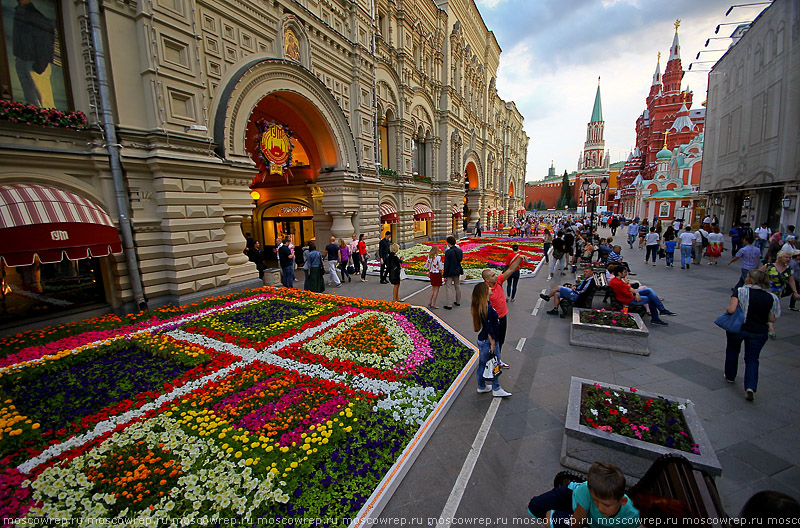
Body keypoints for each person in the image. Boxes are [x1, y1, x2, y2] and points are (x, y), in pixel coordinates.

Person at [723, 269, 780, 401]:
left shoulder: (741, 291)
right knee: (752, 359)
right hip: (759, 331)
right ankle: (750, 386)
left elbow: (731, 309)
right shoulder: (772, 297)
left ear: (752, 280)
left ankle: (730, 376)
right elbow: (772, 319)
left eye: (748, 276)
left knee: (732, 351)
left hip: (739, 328)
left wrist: (729, 309)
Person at [527, 461, 640, 527]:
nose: (600, 507)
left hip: (587, 517)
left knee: (551, 520)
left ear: (622, 501)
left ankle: (559, 514)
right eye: (596, 501)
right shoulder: (586, 491)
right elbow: (578, 521)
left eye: (606, 505)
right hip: (572, 498)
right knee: (534, 506)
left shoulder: (632, 515)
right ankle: (563, 512)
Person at [471, 282, 511, 397]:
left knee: (483, 364)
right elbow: (489, 327)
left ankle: (481, 386)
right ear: (484, 292)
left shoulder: (483, 305)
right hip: (489, 341)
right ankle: (496, 388)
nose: (490, 288)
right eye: (488, 287)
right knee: (494, 363)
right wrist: (493, 342)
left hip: (483, 340)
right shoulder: (486, 307)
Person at [482, 255, 523, 368]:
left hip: (503, 316)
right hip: (494, 320)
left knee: (501, 340)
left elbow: (511, 269)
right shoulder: (485, 291)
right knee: (492, 342)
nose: (496, 276)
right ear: (487, 280)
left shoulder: (498, 281)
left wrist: (519, 257)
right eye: (493, 275)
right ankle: (491, 362)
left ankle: (497, 360)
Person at [607, 265, 673, 326]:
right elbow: (629, 293)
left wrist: (637, 293)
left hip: (630, 296)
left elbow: (629, 288)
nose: (626, 274)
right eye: (624, 272)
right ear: (619, 273)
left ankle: (662, 310)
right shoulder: (618, 283)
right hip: (628, 300)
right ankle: (657, 317)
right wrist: (635, 294)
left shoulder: (617, 280)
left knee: (649, 290)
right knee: (652, 299)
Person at [760, 251, 800, 338]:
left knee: (773, 311)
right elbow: (757, 274)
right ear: (780, 258)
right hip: (767, 291)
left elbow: (791, 280)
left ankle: (767, 324)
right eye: (786, 257)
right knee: (768, 309)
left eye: (789, 257)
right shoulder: (769, 266)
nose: (788, 259)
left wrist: (795, 292)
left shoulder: (789, 269)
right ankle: (771, 328)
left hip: (778, 293)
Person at [442, 236, 463, 310]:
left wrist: (445, 274)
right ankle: (458, 301)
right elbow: (460, 260)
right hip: (457, 270)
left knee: (449, 287)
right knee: (457, 286)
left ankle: (449, 305)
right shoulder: (459, 250)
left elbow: (446, 264)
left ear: (448, 243)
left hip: (450, 271)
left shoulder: (448, 252)